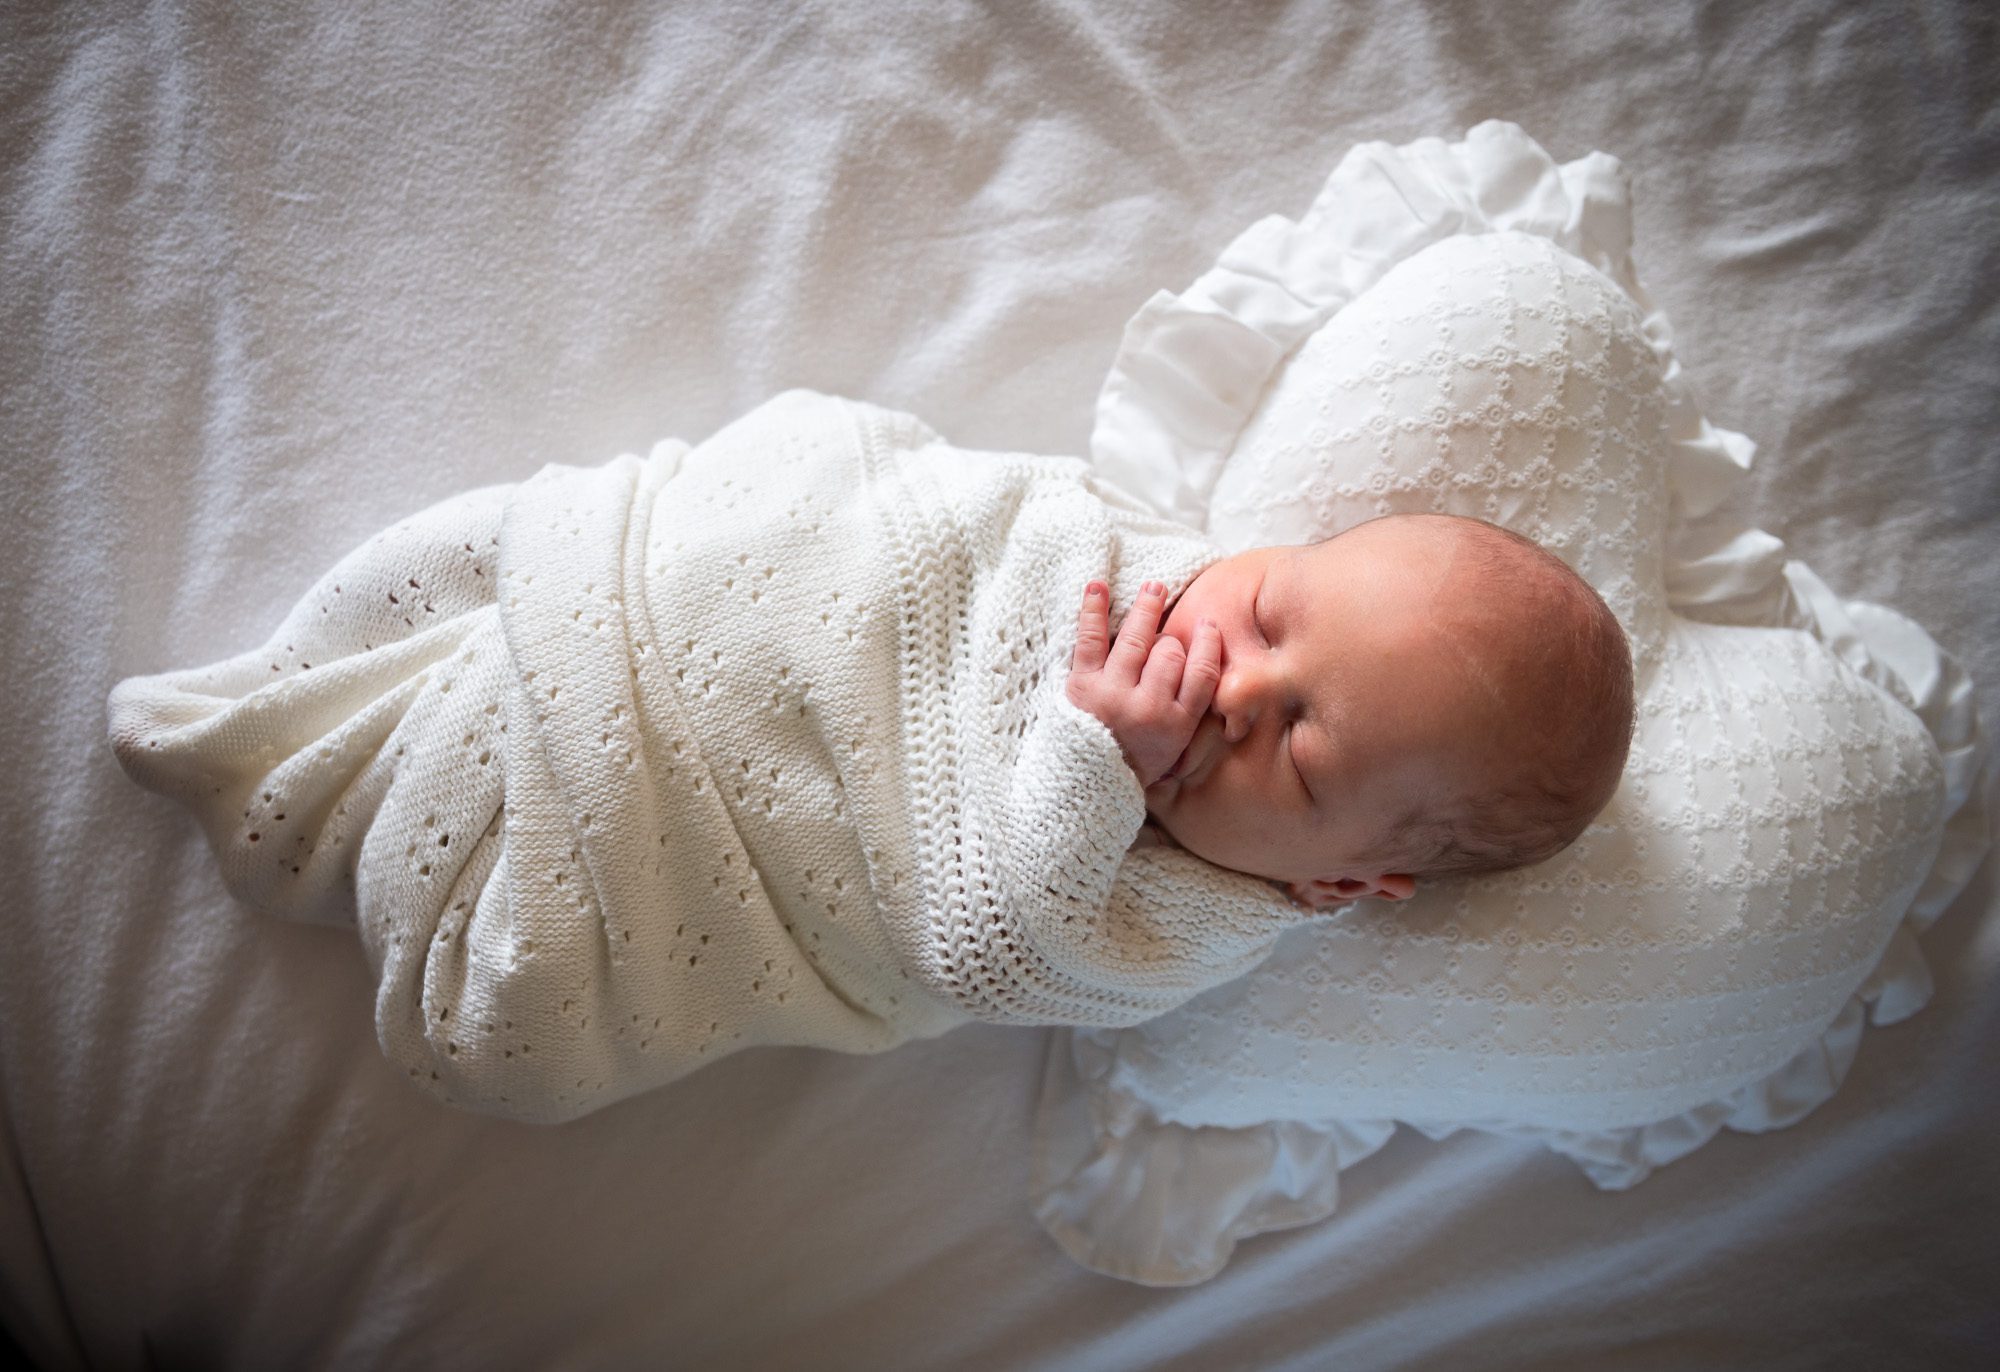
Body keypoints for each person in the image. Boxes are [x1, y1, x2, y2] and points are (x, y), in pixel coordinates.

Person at [107, 388, 1631, 1123]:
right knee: (481, 573)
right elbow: (962, 520)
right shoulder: (1148, 561)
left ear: (1347, 880)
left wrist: (1093, 766)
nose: (1240, 682)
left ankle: (337, 784)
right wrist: (841, 475)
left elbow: (981, 946)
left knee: (508, 1031)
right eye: (1280, 609)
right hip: (705, 592)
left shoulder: (1198, 923)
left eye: (1300, 751)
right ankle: (275, 715)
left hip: (714, 851)